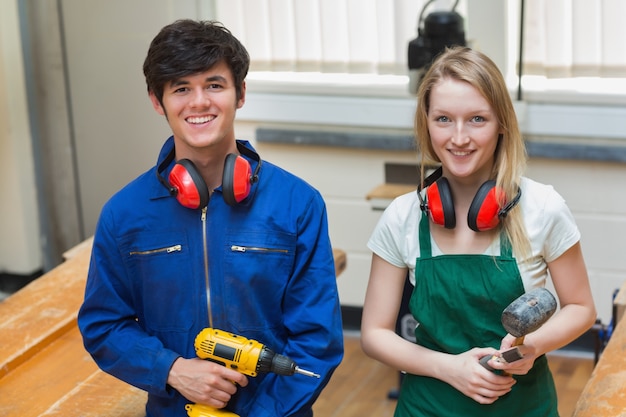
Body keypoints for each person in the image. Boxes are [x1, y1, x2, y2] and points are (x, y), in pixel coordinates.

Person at [78, 19, 343, 417]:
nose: (199, 102)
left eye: (214, 85)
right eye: (181, 88)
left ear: (240, 94)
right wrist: (172, 369)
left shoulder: (298, 203)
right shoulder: (125, 213)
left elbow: (316, 342)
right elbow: (104, 325)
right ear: (157, 100)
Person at [360, 46, 596, 416]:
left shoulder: (543, 207)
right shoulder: (401, 216)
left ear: (502, 122)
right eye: (442, 119)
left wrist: (530, 348)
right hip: (428, 407)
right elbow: (374, 334)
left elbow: (581, 308)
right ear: (426, 123)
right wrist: (450, 368)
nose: (458, 138)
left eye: (476, 119)